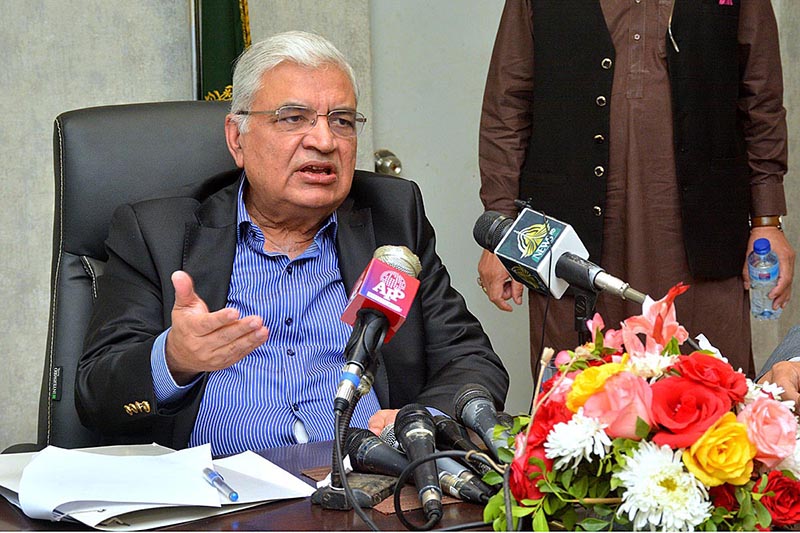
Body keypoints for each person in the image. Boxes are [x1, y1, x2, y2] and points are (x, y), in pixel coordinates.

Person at [75, 31, 508, 456]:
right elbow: (96, 395)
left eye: (341, 120)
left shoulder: (392, 216)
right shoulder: (159, 232)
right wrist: (175, 358)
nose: (323, 141)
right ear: (236, 138)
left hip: (369, 488)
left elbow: (470, 359)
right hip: (223, 505)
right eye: (292, 118)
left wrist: (418, 425)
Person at [477, 0, 794, 379]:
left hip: (705, 239)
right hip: (567, 238)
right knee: (577, 413)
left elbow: (762, 103)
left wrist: (767, 220)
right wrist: (501, 233)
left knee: (712, 405)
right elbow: (506, 108)